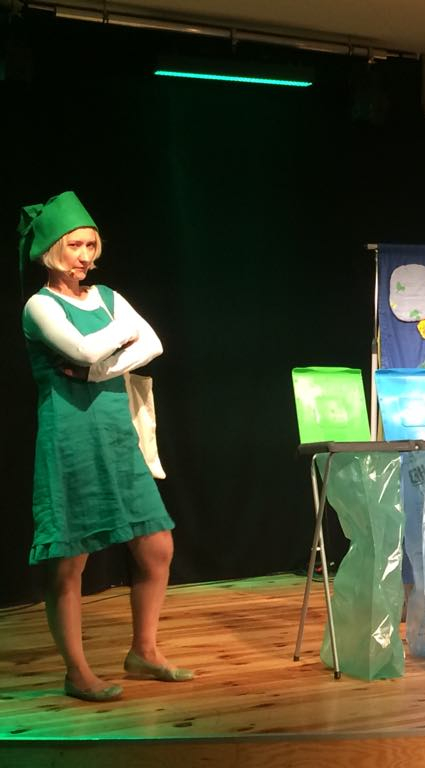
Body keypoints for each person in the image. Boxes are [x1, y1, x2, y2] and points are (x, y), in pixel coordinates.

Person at [18, 191, 192, 701]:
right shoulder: (39, 306)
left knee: (157, 544)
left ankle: (144, 650)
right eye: (75, 245)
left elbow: (152, 343)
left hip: (117, 433)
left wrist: (98, 371)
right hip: (70, 436)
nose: (85, 256)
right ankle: (77, 672)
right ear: (51, 250)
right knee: (69, 559)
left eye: (91, 245)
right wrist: (121, 336)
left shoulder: (107, 297)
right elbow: (83, 347)